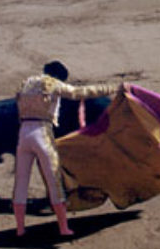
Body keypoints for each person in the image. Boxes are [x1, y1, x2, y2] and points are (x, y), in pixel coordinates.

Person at [13, 61, 122, 237]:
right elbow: (80, 93)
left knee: (21, 182)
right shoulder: (53, 84)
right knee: (54, 182)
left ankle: (20, 229)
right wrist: (113, 88)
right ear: (59, 76)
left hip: (23, 135)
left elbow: (18, 107)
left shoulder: (26, 83)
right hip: (42, 134)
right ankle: (63, 228)